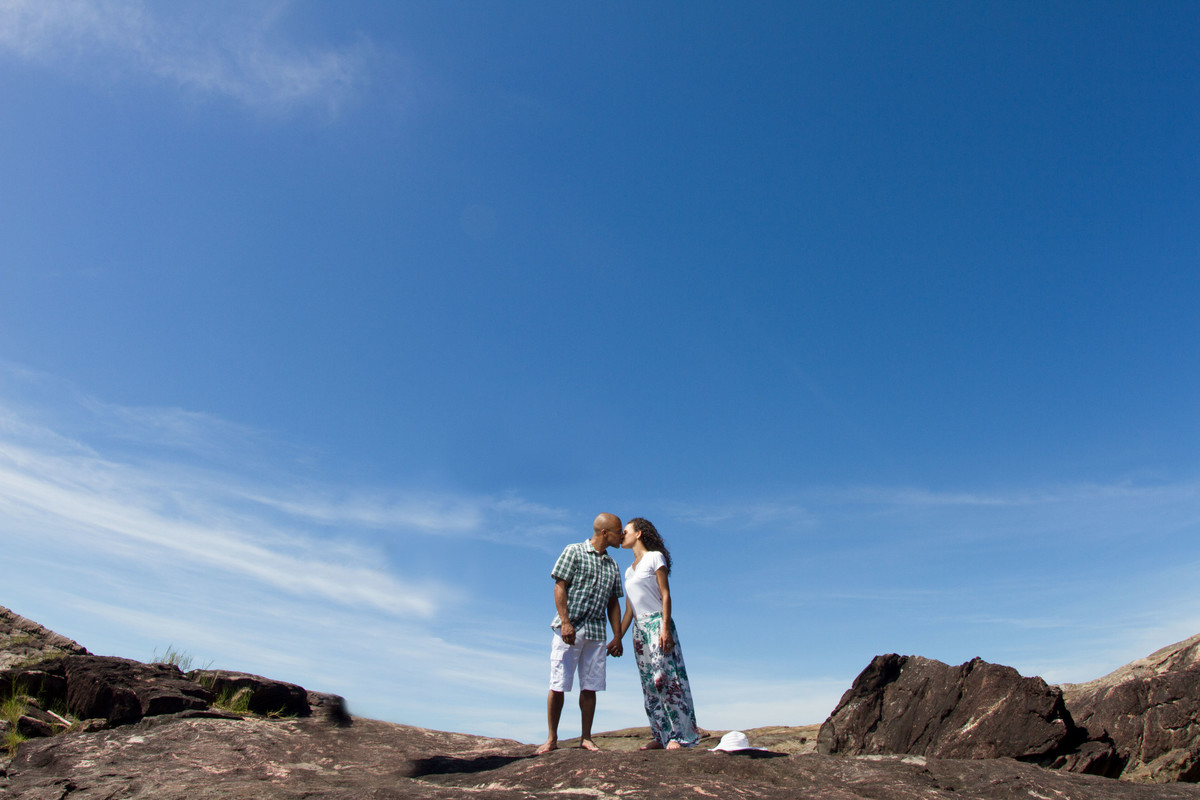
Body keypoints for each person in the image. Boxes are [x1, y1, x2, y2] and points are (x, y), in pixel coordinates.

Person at [536, 513, 625, 754]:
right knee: (558, 683)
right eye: (619, 531)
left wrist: (617, 636)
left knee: (591, 686)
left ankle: (586, 737)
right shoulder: (573, 551)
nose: (623, 536)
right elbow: (560, 586)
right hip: (570, 629)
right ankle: (552, 738)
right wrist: (565, 622)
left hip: (597, 632)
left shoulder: (612, 564)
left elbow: (614, 604)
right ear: (605, 533)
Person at [616, 517, 700, 750]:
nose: (622, 535)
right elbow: (629, 610)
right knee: (648, 684)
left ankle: (680, 736)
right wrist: (617, 638)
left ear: (639, 533)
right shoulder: (628, 570)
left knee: (665, 679)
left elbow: (665, 594)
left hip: (657, 623)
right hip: (639, 630)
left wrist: (664, 627)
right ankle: (660, 735)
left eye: (626, 531)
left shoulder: (655, 557)